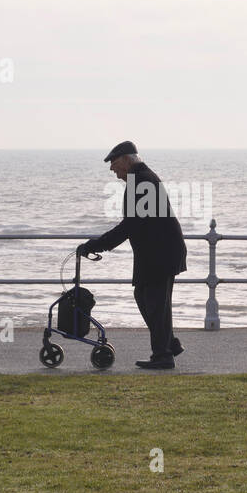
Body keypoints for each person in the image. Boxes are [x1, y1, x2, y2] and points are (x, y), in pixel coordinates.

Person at [78, 141, 187, 369]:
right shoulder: (141, 179)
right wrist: (98, 244)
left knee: (154, 303)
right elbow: (134, 225)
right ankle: (169, 345)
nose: (112, 170)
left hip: (161, 254)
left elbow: (130, 226)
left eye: (115, 163)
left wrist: (96, 244)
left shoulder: (142, 181)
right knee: (147, 298)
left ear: (128, 159)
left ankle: (163, 355)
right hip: (158, 252)